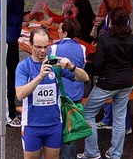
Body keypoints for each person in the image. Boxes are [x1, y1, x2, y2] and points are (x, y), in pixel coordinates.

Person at [15, 28, 89, 159]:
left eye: (45, 47)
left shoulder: (55, 64)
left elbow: (85, 78)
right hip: (32, 125)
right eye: (38, 47)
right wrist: (39, 77)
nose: (42, 50)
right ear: (30, 45)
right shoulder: (24, 66)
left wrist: (71, 67)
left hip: (54, 124)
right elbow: (20, 94)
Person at [77, 7, 133, 159]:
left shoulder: (105, 39)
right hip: (126, 81)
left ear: (111, 21)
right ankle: (115, 153)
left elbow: (97, 64)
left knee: (88, 112)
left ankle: (91, 152)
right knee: (119, 117)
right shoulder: (132, 39)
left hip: (107, 82)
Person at [0, 0, 44, 127]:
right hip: (4, 39)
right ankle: (7, 115)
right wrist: (23, 17)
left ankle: (11, 111)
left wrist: (27, 15)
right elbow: (3, 15)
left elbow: (11, 13)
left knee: (11, 76)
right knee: (6, 78)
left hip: (11, 38)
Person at [96, 0, 133, 135]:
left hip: (116, 60)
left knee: (118, 92)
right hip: (112, 60)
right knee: (114, 91)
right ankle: (108, 119)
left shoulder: (121, 16)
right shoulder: (110, 14)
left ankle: (125, 125)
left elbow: (114, 36)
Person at [48, 18, 87, 159]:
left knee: (56, 128)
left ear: (64, 33)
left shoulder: (54, 48)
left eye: (59, 29)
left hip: (60, 94)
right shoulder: (82, 48)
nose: (57, 30)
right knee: (70, 129)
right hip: (76, 94)